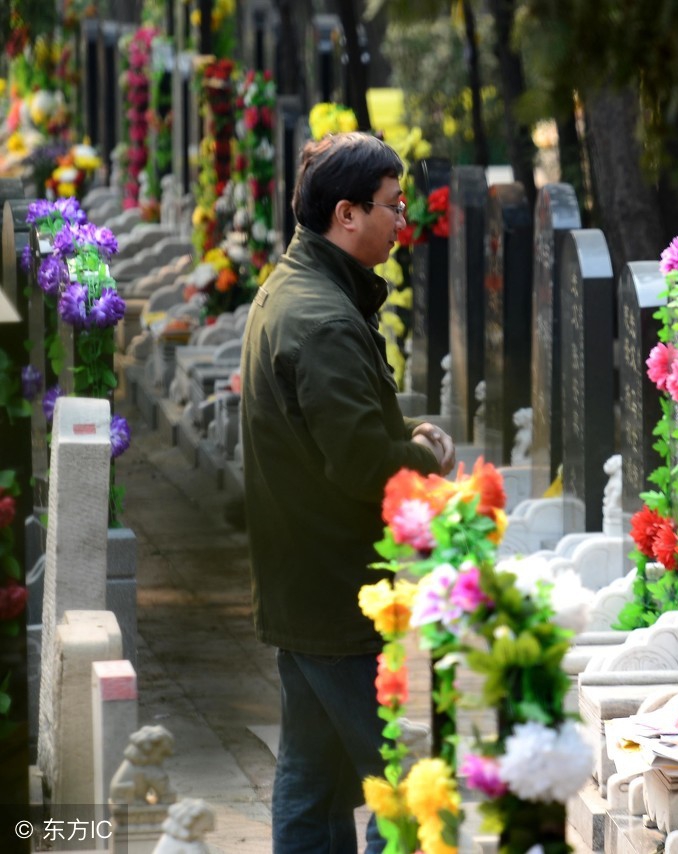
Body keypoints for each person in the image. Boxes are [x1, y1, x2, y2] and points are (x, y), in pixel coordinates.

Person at [239, 131, 456, 854]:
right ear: (347, 214)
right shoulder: (324, 319)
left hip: (302, 582)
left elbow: (339, 436)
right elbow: (366, 465)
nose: (403, 221)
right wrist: (423, 454)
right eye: (393, 206)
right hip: (337, 591)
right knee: (407, 784)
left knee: (311, 777)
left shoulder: (294, 288)